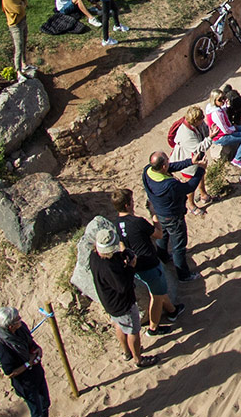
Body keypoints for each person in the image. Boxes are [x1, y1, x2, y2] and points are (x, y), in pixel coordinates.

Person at [0, 307, 68, 417]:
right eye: (17, 320)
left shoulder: (21, 328)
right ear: (10, 326)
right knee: (36, 414)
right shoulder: (3, 346)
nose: (21, 320)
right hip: (26, 384)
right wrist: (28, 364)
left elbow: (30, 342)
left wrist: (37, 350)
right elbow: (9, 372)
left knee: (45, 402)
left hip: (37, 373)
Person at [82, 219, 150, 367]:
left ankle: (126, 352)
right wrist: (131, 267)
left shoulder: (94, 256)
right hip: (123, 304)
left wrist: (122, 257)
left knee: (119, 325)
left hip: (110, 303)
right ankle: (138, 359)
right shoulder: (110, 267)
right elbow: (123, 286)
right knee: (133, 331)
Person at [108, 189, 177, 331]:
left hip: (135, 266)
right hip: (149, 265)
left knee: (159, 289)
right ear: (127, 205)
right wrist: (153, 214)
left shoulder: (116, 224)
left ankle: (172, 310)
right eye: (132, 201)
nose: (133, 203)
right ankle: (153, 328)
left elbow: (121, 245)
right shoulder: (138, 222)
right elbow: (159, 234)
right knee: (157, 296)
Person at [143, 151, 204, 282]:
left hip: (159, 212)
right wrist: (200, 170)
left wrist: (190, 162)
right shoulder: (169, 185)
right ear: (163, 166)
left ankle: (163, 257)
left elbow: (170, 167)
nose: (169, 162)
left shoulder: (148, 171)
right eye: (167, 161)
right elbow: (188, 187)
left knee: (163, 236)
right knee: (179, 246)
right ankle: (183, 275)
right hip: (173, 217)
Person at [203, 85, 241, 164]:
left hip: (227, 129)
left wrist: (225, 106)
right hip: (221, 137)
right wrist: (234, 128)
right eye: (220, 99)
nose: (223, 100)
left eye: (223, 98)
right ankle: (237, 159)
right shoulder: (217, 114)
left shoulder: (212, 107)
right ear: (214, 100)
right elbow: (226, 130)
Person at [1, 0, 30, 75]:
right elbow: (18, 9)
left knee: (24, 43)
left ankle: (24, 64)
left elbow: (24, 1)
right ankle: (18, 71)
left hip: (23, 20)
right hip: (15, 25)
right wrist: (22, 5)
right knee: (18, 47)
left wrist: (22, 5)